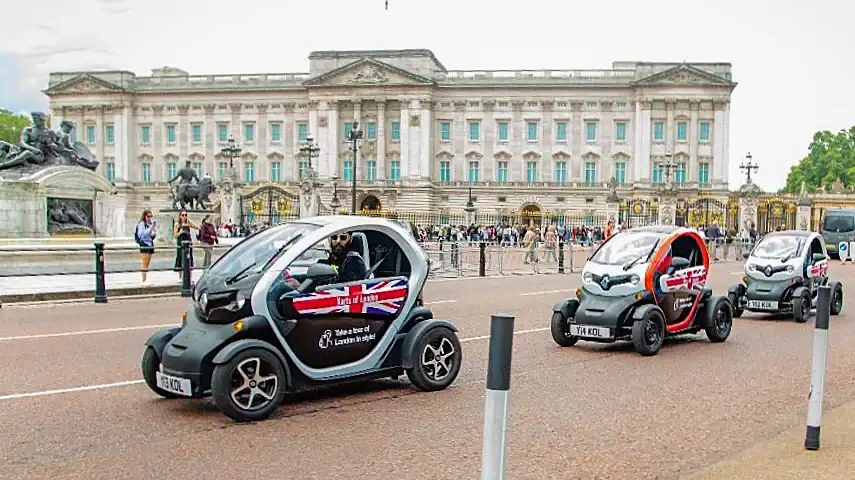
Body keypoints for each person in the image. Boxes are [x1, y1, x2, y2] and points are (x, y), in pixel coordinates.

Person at [173, 209, 200, 280]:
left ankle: (190, 277)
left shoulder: (188, 222)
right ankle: (180, 277)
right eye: (182, 215)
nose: (184, 216)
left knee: (189, 258)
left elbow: (197, 227)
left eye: (186, 215)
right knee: (180, 258)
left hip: (188, 242)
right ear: (180, 216)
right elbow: (175, 235)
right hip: (181, 243)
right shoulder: (177, 224)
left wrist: (191, 222)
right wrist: (180, 232)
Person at [135, 209, 157, 286]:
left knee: (147, 263)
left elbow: (153, 235)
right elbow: (142, 235)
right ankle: (143, 280)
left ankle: (145, 279)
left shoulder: (149, 224)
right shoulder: (141, 224)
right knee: (144, 262)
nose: (149, 218)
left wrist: (153, 230)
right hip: (144, 244)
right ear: (144, 216)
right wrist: (150, 228)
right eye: (148, 216)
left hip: (150, 244)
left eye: (151, 216)